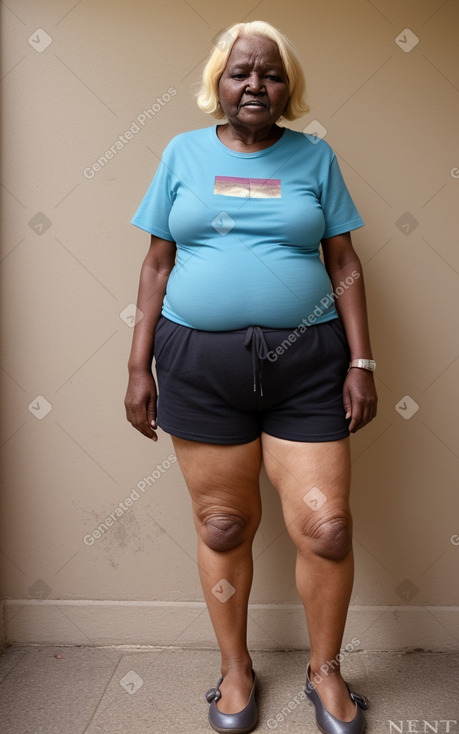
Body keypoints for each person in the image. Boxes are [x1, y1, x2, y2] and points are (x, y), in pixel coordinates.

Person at [125, 20, 377, 734]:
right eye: (240, 72)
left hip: (308, 367)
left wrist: (362, 362)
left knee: (326, 528)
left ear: (286, 86)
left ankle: (323, 672)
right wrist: (135, 366)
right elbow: (154, 265)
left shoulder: (314, 158)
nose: (254, 85)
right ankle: (235, 669)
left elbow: (344, 264)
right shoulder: (180, 153)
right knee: (223, 522)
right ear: (218, 84)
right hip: (198, 367)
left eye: (269, 73)